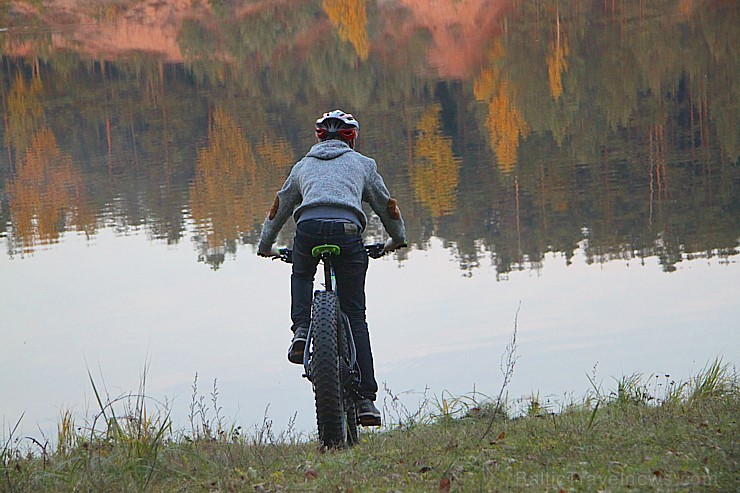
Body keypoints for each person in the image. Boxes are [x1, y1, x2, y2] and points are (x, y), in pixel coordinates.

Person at [257, 109, 406, 426]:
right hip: (348, 233)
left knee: (301, 272)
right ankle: (365, 399)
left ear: (319, 137)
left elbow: (279, 206)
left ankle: (300, 330)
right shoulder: (363, 165)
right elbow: (386, 206)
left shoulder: (303, 166)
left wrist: (265, 246)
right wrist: (397, 239)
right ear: (352, 138)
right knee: (354, 314)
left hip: (308, 231)